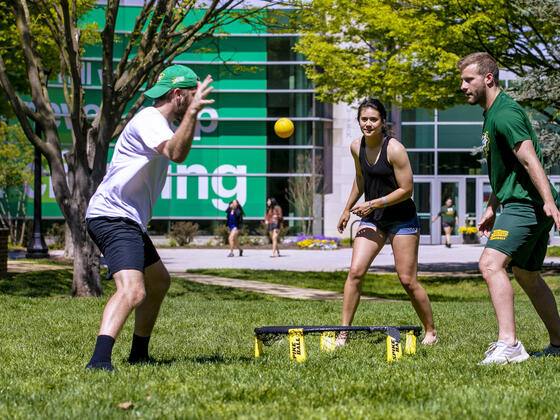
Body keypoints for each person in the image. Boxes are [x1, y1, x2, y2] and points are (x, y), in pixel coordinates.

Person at [84, 65, 214, 370]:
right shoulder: (149, 120)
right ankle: (99, 361)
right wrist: (193, 114)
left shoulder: (160, 123)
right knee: (133, 290)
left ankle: (139, 355)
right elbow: (176, 153)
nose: (197, 102)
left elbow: (177, 148)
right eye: (193, 95)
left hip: (126, 218)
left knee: (158, 282)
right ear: (179, 94)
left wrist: (191, 114)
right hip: (113, 216)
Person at [458, 52, 560, 364]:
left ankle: (510, 344)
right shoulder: (492, 114)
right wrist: (491, 205)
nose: (463, 86)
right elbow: (507, 169)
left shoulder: (504, 114)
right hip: (523, 203)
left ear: (488, 78)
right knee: (527, 274)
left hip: (527, 206)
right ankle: (559, 343)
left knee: (490, 264)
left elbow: (529, 159)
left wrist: (549, 202)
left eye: (468, 79)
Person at [336, 98, 438, 346]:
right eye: (364, 119)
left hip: (402, 219)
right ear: (358, 120)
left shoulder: (394, 149)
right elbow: (361, 178)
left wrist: (373, 203)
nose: (368, 124)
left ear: (383, 122)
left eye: (373, 119)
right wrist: (347, 209)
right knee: (355, 272)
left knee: (407, 279)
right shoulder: (355, 147)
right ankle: (343, 333)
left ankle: (431, 332)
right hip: (374, 219)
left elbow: (407, 189)